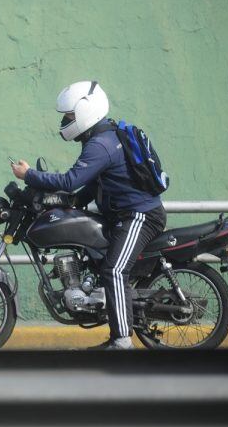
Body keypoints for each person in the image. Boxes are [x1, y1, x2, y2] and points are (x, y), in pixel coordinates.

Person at [11, 80, 166, 350]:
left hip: (139, 216)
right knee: (97, 263)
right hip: (121, 215)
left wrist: (29, 175)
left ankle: (122, 342)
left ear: (86, 110)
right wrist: (70, 203)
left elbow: (72, 180)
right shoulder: (103, 137)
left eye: (69, 116)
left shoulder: (101, 144)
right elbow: (95, 183)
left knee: (114, 270)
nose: (66, 121)